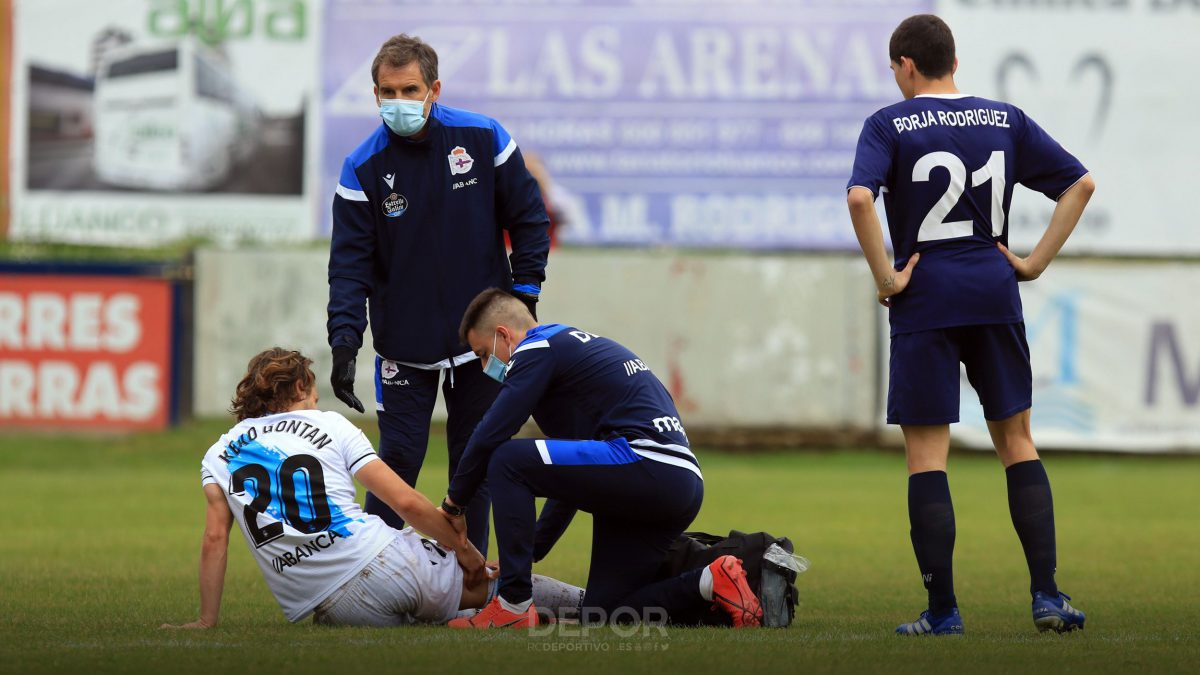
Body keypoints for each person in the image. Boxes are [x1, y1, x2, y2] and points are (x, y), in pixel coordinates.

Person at [846, 14, 1095, 636]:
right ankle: (1046, 596)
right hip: (991, 290)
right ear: (951, 60)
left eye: (894, 69)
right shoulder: (1003, 119)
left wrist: (887, 278)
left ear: (906, 64)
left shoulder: (888, 124)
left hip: (926, 299)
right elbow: (1080, 183)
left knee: (928, 459)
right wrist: (1032, 262)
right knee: (1017, 442)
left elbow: (858, 198)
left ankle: (944, 612)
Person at [161, 348, 582, 629]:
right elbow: (405, 501)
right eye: (312, 392)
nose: (315, 401)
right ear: (301, 389)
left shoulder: (218, 453)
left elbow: (215, 539)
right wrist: (466, 551)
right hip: (384, 564)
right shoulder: (328, 423)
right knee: (498, 583)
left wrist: (206, 621)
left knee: (430, 618)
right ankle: (603, 605)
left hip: (328, 606)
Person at [326, 34, 551, 557]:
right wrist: (344, 342)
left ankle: (470, 585)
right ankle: (368, 573)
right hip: (405, 345)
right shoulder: (360, 168)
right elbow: (348, 266)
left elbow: (529, 219)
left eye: (409, 90)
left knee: (478, 462)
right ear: (374, 93)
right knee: (397, 461)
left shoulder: (483, 137)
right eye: (387, 91)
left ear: (434, 89)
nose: (397, 102)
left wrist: (524, 298)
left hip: (484, 343)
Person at [436, 289, 763, 629]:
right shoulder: (576, 350)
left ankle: (513, 606)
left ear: (503, 334)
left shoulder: (537, 346)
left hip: (645, 463)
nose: (485, 367)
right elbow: (572, 482)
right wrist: (528, 550)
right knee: (605, 613)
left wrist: (454, 504)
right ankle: (713, 580)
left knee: (507, 458)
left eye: (484, 354)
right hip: (680, 481)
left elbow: (491, 432)